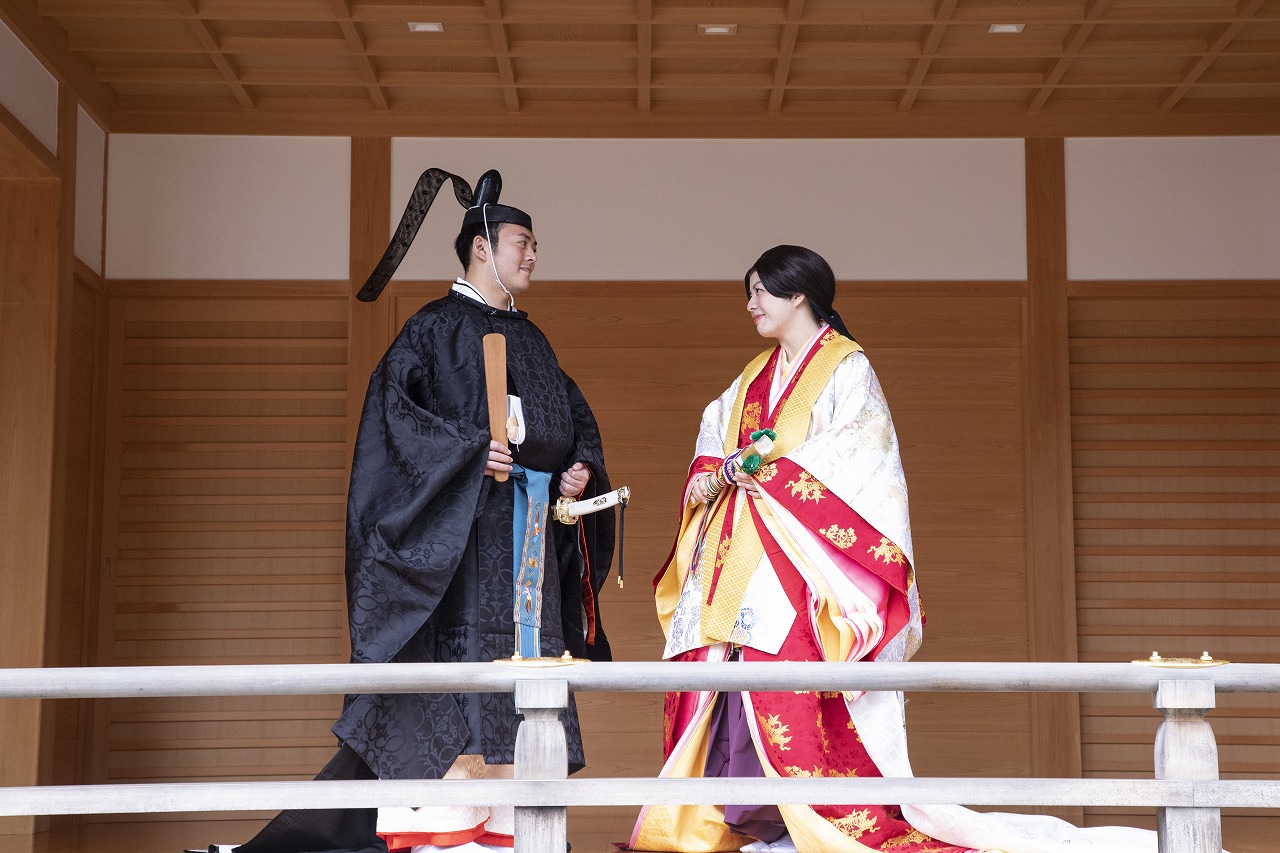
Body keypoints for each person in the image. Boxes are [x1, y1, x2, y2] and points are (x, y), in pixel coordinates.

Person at [628, 246, 1165, 853]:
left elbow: (859, 461)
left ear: (797, 293)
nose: (751, 305)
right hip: (742, 560)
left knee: (788, 688)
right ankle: (747, 825)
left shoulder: (846, 366)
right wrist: (715, 471)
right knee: (727, 690)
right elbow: (713, 437)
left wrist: (764, 474)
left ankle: (802, 825)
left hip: (803, 566)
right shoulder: (753, 375)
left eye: (760, 292)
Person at [213, 170, 615, 853]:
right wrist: (466, 455)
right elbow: (392, 429)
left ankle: (524, 835)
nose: (533, 256)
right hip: (455, 561)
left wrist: (580, 470)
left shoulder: (537, 341)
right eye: (523, 242)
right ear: (482, 245)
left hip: (525, 555)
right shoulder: (430, 331)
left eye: (536, 244)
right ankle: (445, 835)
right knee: (452, 699)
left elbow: (572, 427)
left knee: (527, 703)